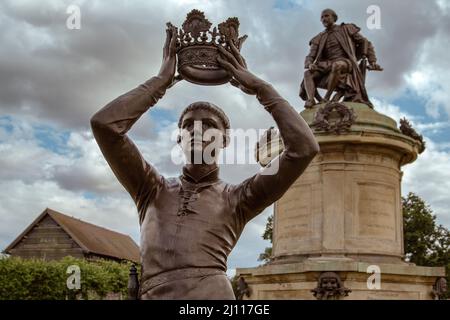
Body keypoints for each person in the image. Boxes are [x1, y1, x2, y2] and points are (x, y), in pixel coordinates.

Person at [90, 24, 319, 299]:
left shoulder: (239, 198)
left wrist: (261, 88)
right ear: (179, 139)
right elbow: (105, 126)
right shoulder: (150, 189)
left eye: (209, 125)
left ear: (224, 141)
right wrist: (159, 83)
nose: (197, 131)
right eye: (188, 126)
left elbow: (303, 149)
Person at [299, 8, 382, 108]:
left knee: (337, 65)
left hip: (345, 62)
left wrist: (372, 61)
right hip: (326, 64)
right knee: (307, 73)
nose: (324, 19)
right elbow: (310, 56)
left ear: (334, 18)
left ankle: (326, 98)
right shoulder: (319, 37)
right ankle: (311, 100)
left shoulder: (346, 28)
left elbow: (365, 42)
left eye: (326, 16)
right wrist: (309, 64)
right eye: (322, 17)